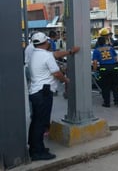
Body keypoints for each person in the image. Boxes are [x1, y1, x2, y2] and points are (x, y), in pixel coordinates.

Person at [28, 32, 72, 161]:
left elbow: (55, 55)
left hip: (36, 92)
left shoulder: (34, 54)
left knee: (36, 121)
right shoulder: (46, 56)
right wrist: (66, 80)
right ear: (45, 43)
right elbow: (57, 73)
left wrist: (69, 51)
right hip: (43, 92)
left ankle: (35, 147)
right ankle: (38, 152)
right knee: (41, 122)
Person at [92, 36, 118, 107]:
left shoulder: (96, 50)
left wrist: (95, 71)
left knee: (105, 86)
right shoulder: (110, 48)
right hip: (114, 67)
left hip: (104, 69)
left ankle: (107, 103)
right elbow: (115, 57)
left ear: (98, 42)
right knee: (115, 86)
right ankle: (117, 101)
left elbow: (95, 62)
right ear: (105, 42)